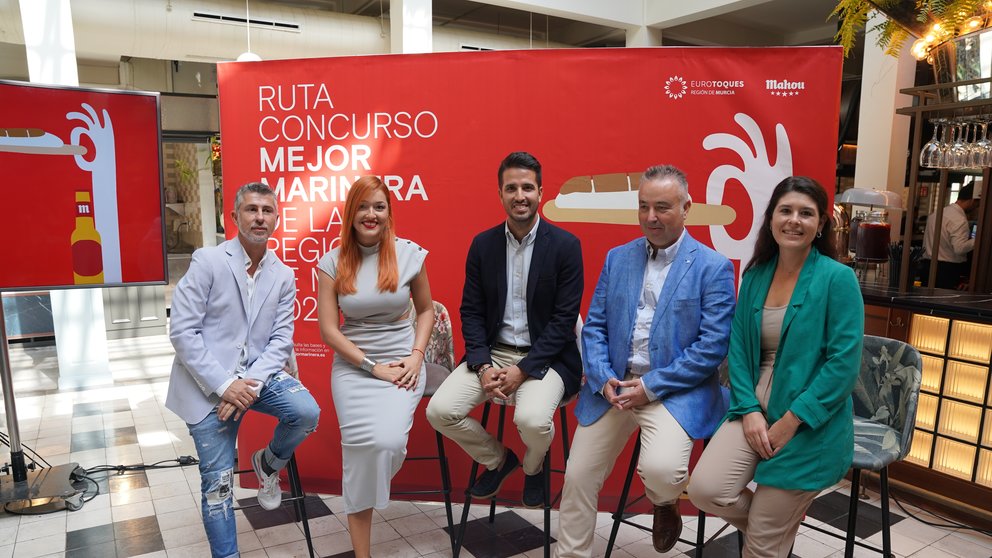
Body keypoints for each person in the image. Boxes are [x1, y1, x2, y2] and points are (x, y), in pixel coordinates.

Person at [555, 164, 735, 557]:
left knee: (663, 473)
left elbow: (712, 347)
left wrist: (650, 387)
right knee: (577, 476)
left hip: (670, 391)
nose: (651, 217)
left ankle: (665, 502)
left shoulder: (713, 267)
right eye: (643, 207)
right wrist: (604, 379)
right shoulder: (618, 258)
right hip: (614, 388)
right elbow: (595, 327)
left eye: (663, 208)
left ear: (687, 207)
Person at [688, 176, 864, 558]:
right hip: (754, 408)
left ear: (820, 226)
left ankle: (769, 536)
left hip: (809, 421)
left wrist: (792, 420)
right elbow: (738, 347)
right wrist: (748, 409)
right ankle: (771, 532)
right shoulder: (755, 276)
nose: (794, 220)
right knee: (705, 489)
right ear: (770, 219)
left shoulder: (839, 280)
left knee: (760, 549)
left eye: (806, 213)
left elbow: (843, 366)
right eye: (785, 210)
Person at [167, 182, 321, 558]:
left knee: (306, 412)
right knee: (218, 486)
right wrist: (224, 385)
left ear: (277, 219)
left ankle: (268, 462)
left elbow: (281, 340)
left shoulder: (283, 275)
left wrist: (246, 387)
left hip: (256, 377)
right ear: (233, 217)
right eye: (251, 210)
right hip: (207, 387)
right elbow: (183, 332)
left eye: (267, 211)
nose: (259, 217)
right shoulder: (208, 261)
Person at [426, 151, 583, 508]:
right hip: (493, 354)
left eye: (527, 187)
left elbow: (562, 322)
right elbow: (472, 311)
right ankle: (499, 460)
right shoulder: (483, 245)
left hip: (547, 358)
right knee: (439, 411)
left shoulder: (565, 247)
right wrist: (482, 366)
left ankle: (533, 466)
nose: (519, 195)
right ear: (500, 194)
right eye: (510, 188)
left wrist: (522, 370)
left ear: (541, 192)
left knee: (531, 421)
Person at [316, 175, 434, 558]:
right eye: (363, 207)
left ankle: (368, 487)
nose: (371, 214)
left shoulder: (409, 254)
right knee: (358, 455)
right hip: (354, 368)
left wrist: (416, 356)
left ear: (388, 212)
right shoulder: (332, 262)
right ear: (351, 213)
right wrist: (370, 367)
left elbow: (427, 310)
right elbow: (330, 332)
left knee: (386, 443)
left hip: (403, 362)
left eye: (379, 207)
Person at [922, 182, 981, 289]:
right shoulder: (959, 219)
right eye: (978, 205)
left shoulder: (937, 213)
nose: (977, 208)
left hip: (927, 266)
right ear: (973, 201)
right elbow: (960, 248)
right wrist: (979, 239)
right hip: (946, 270)